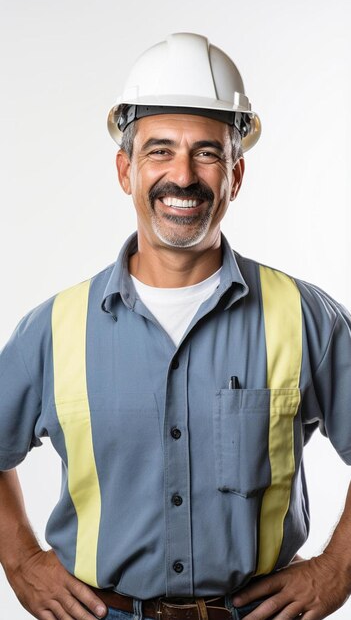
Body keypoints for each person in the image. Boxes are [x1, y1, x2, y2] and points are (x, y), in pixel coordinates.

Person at [0, 32, 350, 620]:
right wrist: (19, 559)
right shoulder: (52, 329)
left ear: (236, 175)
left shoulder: (306, 317)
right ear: (125, 170)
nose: (183, 176)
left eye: (208, 153)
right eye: (159, 150)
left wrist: (340, 567)